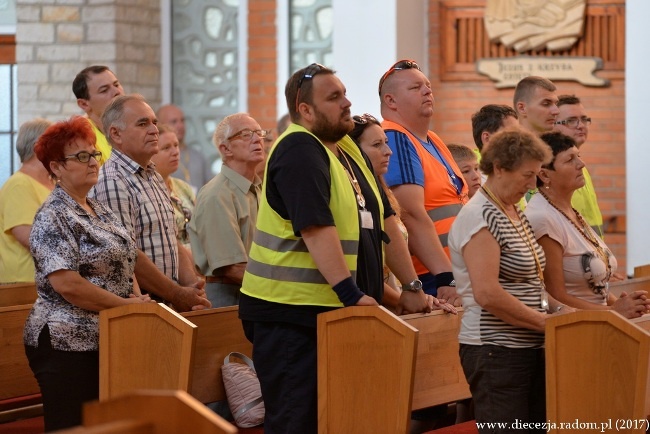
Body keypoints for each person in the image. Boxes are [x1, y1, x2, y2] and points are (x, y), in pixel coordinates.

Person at [239, 64, 452, 434]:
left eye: (345, 93)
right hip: (292, 315)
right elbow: (316, 228)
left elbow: (385, 223)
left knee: (346, 418)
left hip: (335, 312)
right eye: (333, 97)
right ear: (305, 110)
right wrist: (351, 294)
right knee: (297, 421)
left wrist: (411, 288)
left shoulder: (346, 148)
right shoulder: (298, 149)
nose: (347, 103)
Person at [23, 116, 152, 432]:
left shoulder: (99, 208)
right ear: (56, 167)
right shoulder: (53, 216)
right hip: (65, 341)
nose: (93, 162)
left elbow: (124, 257)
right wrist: (126, 308)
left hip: (109, 336)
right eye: (81, 156)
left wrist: (135, 297)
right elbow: (68, 285)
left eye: (94, 153)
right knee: (74, 427)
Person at [448, 128, 566, 433]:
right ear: (499, 168)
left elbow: (532, 284)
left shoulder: (512, 210)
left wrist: (565, 316)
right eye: (527, 175)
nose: (532, 185)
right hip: (496, 351)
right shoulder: (481, 215)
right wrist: (546, 323)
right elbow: (487, 293)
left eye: (536, 175)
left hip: (529, 347)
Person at [91, 94, 210, 312]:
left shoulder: (153, 175)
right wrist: (177, 293)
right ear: (116, 134)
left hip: (170, 302)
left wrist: (192, 286)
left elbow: (171, 237)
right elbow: (128, 256)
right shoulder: (112, 182)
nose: (154, 130)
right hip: (143, 308)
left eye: (154, 122)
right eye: (143, 123)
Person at [525, 132, 649, 318]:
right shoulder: (543, 217)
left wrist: (625, 304)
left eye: (579, 156)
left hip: (599, 322)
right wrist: (615, 311)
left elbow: (593, 289)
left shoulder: (569, 211)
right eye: (570, 160)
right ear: (544, 174)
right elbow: (555, 296)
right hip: (575, 329)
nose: (581, 164)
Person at [380, 59, 465, 305]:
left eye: (427, 85)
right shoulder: (395, 138)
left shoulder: (432, 139)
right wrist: (446, 276)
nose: (427, 91)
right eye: (415, 88)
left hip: (456, 270)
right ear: (391, 101)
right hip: (433, 276)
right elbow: (410, 214)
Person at [188, 113, 264, 307]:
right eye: (246, 134)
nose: (257, 139)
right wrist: (282, 290)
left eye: (259, 133)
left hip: (256, 291)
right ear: (226, 149)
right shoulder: (217, 195)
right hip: (228, 296)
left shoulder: (259, 188)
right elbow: (232, 267)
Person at [0, 119, 54, 283]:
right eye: (56, 142)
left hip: (49, 280)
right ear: (39, 145)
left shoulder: (54, 183)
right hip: (24, 283)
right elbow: (31, 238)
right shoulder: (19, 184)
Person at [554, 94, 604, 237]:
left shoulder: (581, 165)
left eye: (584, 119)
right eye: (571, 121)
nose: (581, 125)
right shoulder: (549, 168)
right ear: (552, 124)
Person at [150, 123, 196, 253]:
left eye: (176, 145)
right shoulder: (147, 190)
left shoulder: (183, 187)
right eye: (166, 148)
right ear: (151, 152)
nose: (175, 152)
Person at [73, 65, 124, 161]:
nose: (117, 92)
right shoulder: (80, 140)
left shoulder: (136, 125)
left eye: (116, 85)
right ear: (84, 104)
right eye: (104, 90)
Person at [157, 104, 213, 191]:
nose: (180, 125)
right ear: (160, 125)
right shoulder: (157, 158)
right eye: (174, 121)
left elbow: (210, 188)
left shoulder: (198, 156)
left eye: (182, 120)